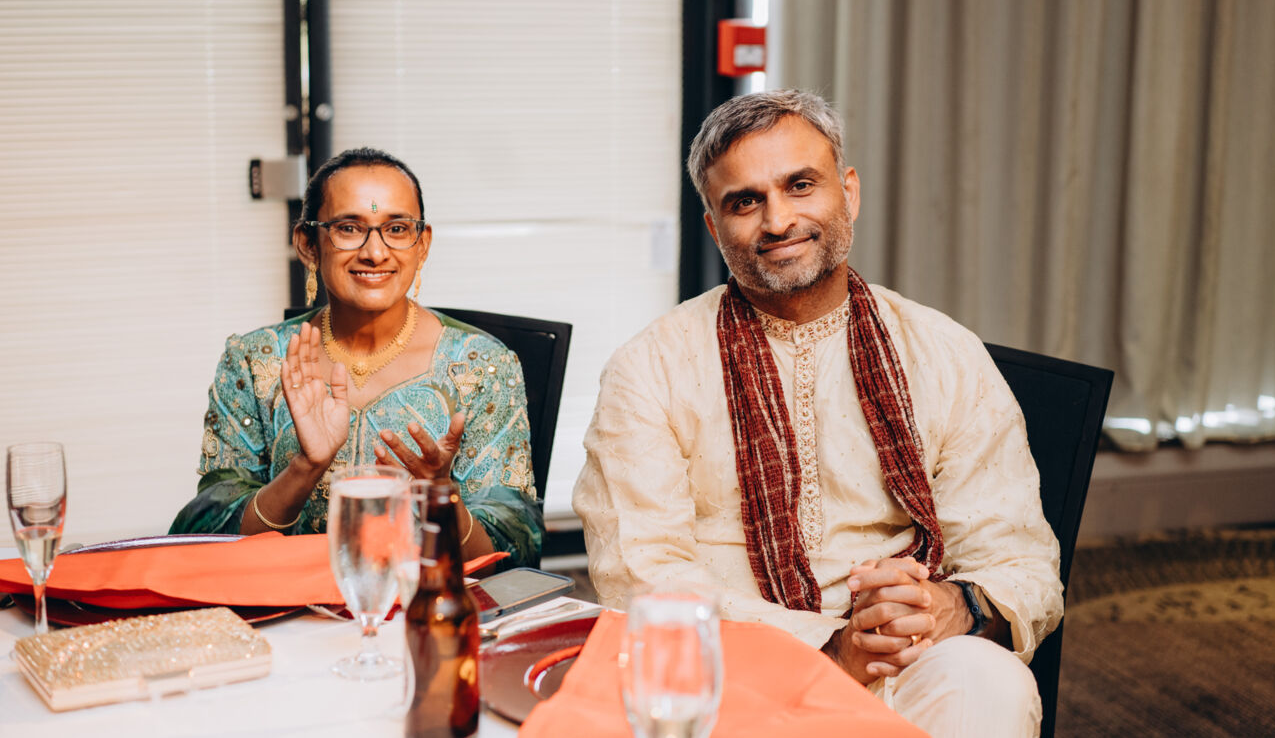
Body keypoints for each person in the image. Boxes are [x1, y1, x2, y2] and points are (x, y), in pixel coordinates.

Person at [573, 90, 1060, 736]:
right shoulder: (650, 368)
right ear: (715, 228)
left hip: (909, 660)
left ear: (848, 193)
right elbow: (642, 576)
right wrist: (831, 650)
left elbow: (1018, 558)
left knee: (991, 682)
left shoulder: (943, 352)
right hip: (737, 670)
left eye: (800, 185)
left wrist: (952, 604)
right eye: (745, 201)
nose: (778, 221)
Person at [172, 147, 542, 568]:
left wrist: (440, 497)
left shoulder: (481, 366)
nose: (375, 252)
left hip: (425, 603)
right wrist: (305, 467)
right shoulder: (255, 362)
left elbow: (515, 552)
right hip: (288, 605)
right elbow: (204, 539)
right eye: (349, 228)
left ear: (422, 244)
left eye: (397, 229)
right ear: (308, 245)